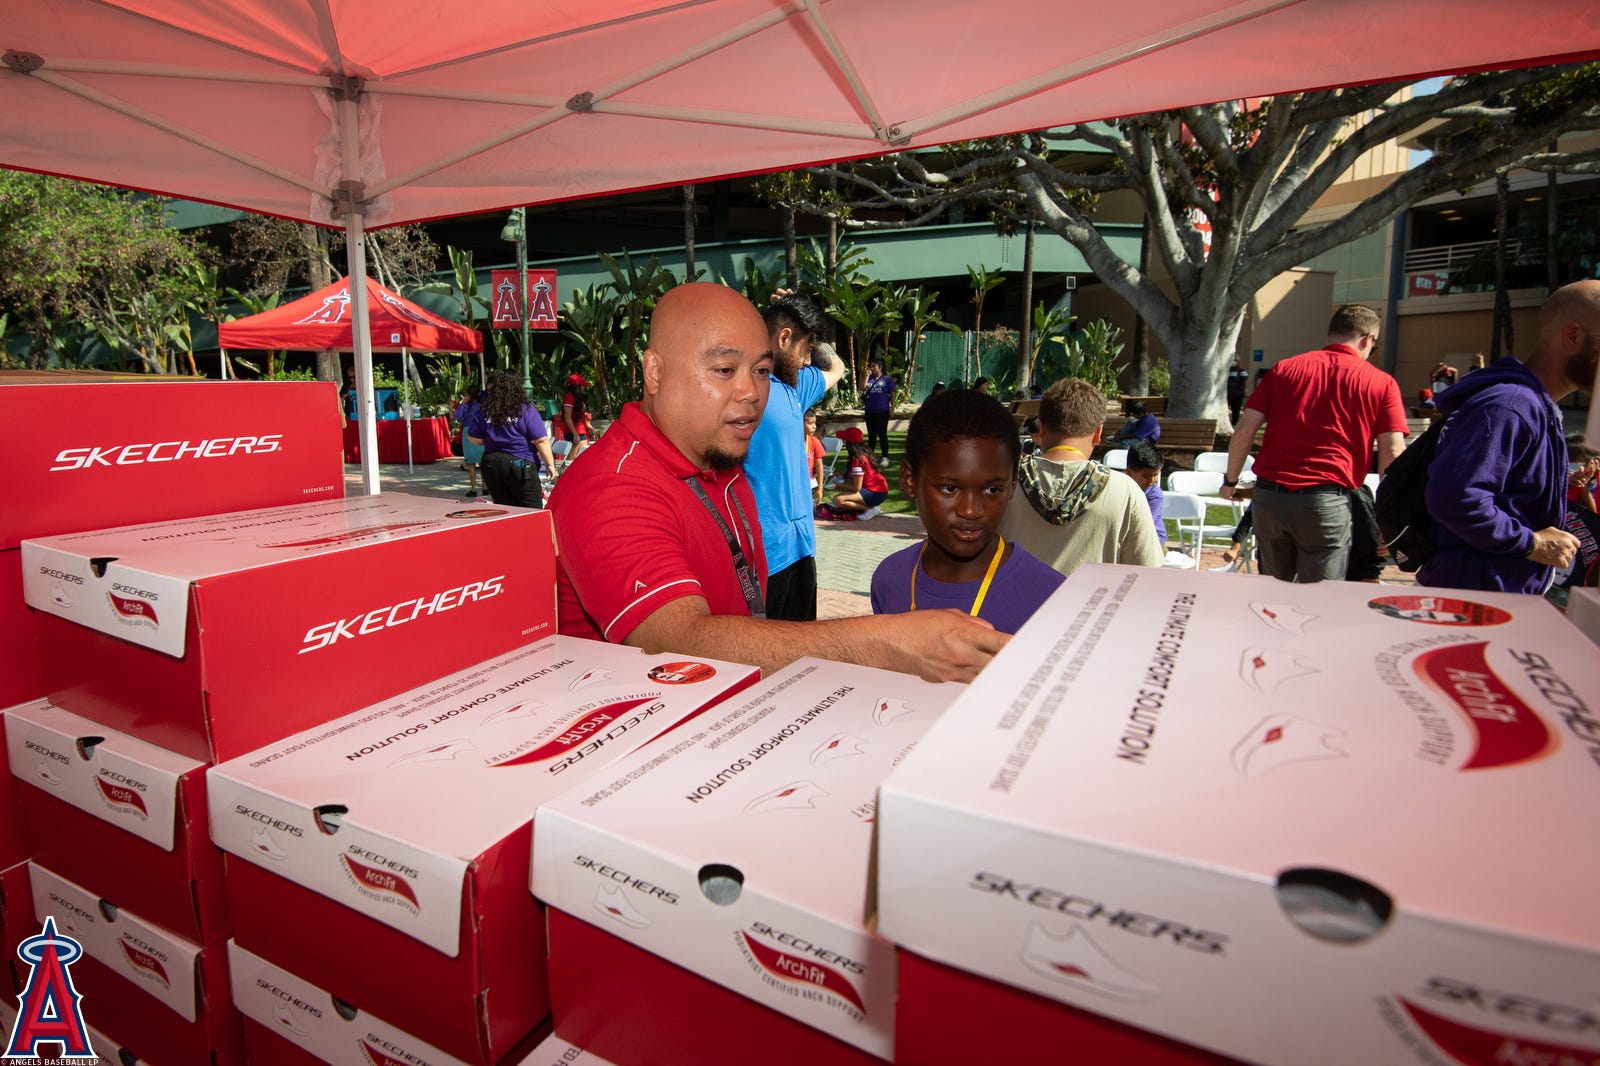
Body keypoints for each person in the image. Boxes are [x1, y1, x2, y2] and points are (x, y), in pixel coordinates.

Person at [546, 282, 1008, 682]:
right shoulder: (612, 484)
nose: (750, 392)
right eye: (724, 370)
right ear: (655, 372)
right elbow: (676, 643)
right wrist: (887, 644)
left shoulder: (724, 466)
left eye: (762, 371)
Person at [1417, 281, 1597, 594]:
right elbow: (1454, 497)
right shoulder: (1510, 405)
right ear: (1573, 337)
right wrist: (1532, 543)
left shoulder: (1533, 405)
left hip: (1493, 596)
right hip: (1474, 603)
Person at [1220, 304, 1408, 583]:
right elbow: (1392, 451)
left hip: (1270, 499)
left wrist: (1231, 481)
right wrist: (1389, 516)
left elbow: (1244, 431)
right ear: (1368, 339)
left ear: (1329, 334)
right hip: (1326, 502)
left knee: (1271, 599)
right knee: (1318, 602)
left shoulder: (1284, 369)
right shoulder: (1381, 382)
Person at [871, 390, 1063, 634]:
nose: (971, 511)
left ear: (1013, 483)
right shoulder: (889, 579)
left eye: (993, 489)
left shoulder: (1051, 596)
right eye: (950, 488)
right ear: (910, 481)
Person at [745, 291, 844, 620]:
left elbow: (838, 369)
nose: (807, 361)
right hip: (765, 558)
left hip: (803, 549)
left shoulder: (795, 388)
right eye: (807, 349)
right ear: (784, 338)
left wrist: (812, 325)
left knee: (800, 659)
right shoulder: (746, 392)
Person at [1000, 378, 1162, 578]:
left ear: (1041, 428)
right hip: (1091, 608)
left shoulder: (1002, 483)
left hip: (1014, 607)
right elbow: (1146, 572)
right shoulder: (1126, 491)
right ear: (1098, 433)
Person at [467, 369, 558, 509]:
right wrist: (550, 465)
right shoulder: (525, 410)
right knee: (532, 512)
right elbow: (541, 440)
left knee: (507, 511)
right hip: (521, 465)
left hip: (492, 465)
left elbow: (473, 438)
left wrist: (492, 439)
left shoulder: (485, 411)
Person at [825, 426, 888, 518]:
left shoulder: (858, 459)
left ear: (848, 442)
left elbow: (856, 487)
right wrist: (843, 476)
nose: (843, 441)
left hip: (876, 492)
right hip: (877, 490)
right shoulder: (861, 454)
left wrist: (839, 485)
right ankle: (868, 507)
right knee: (842, 497)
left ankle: (869, 509)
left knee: (838, 500)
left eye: (844, 439)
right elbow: (856, 477)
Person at [1122, 440, 1167, 547]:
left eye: (1155, 475)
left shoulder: (1154, 495)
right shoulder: (1118, 486)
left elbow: (1143, 525)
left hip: (1154, 539)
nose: (1152, 480)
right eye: (1146, 476)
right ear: (1129, 472)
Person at [863, 357, 896, 462]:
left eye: (874, 366)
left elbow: (893, 395)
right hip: (869, 411)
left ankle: (885, 457)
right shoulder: (870, 378)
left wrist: (892, 410)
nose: (871, 368)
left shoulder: (887, 380)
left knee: (882, 435)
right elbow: (862, 388)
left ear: (880, 367)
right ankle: (871, 457)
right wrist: (866, 376)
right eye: (871, 366)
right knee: (871, 436)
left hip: (882, 411)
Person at [454, 383, 483, 498]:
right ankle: (485, 487)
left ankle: (474, 488)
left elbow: (456, 417)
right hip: (480, 432)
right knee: (482, 462)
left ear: (469, 395)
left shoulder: (465, 406)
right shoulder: (482, 406)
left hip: (468, 432)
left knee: (470, 463)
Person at [561, 373, 595, 465]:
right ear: (577, 387)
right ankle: (564, 475)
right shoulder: (569, 397)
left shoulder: (578, 398)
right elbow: (567, 416)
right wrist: (575, 433)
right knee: (571, 459)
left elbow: (581, 416)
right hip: (573, 432)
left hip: (581, 431)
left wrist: (589, 427)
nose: (584, 388)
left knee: (583, 457)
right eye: (582, 386)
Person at [805, 411, 826, 505]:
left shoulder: (814, 441)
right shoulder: (792, 441)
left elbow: (819, 465)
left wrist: (820, 488)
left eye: (814, 423)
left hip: (807, 483)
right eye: (810, 423)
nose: (814, 426)